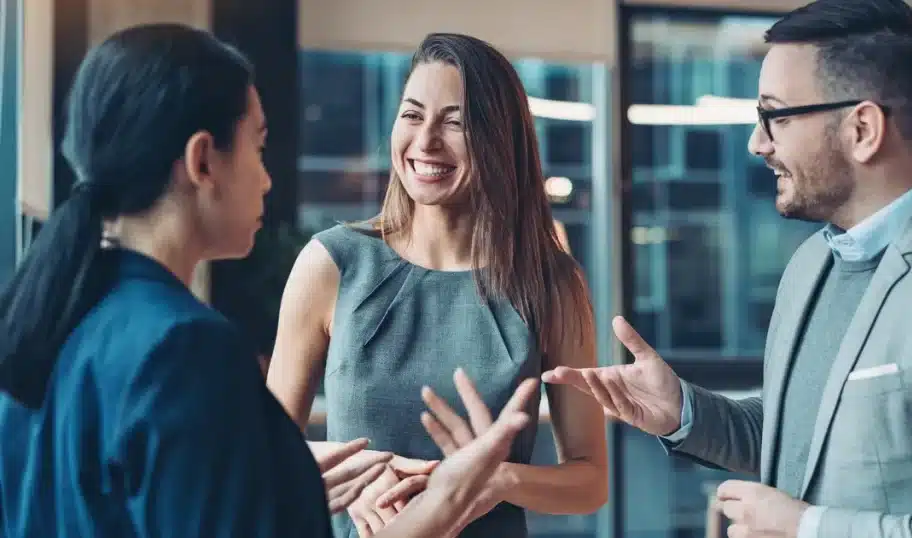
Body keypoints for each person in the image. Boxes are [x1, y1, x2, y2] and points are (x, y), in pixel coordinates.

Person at [0, 23, 541, 538]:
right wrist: (448, 502)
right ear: (203, 160)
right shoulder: (185, 347)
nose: (266, 178)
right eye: (258, 146)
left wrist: (286, 487)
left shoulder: (52, 314)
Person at [544, 1, 912, 538]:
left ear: (862, 128)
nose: (758, 142)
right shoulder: (812, 262)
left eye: (777, 116)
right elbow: (802, 441)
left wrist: (808, 529)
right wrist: (685, 412)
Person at [266, 32, 608, 538]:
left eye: (455, 123)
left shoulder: (551, 283)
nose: (426, 141)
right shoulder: (330, 264)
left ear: (499, 139)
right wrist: (352, 476)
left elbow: (590, 479)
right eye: (411, 114)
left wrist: (496, 479)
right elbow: (264, 454)